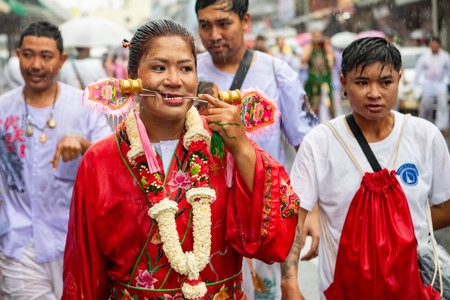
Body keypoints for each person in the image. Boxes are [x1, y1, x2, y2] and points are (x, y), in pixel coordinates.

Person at [61, 19, 305, 300]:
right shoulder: (100, 160)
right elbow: (84, 269)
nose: (174, 80)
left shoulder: (224, 146)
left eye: (185, 68)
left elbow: (275, 238)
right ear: (131, 76)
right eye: (159, 67)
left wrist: (243, 150)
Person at [291, 37, 450, 299]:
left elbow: (446, 206)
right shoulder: (320, 142)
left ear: (399, 79)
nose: (374, 93)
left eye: (386, 82)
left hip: (412, 287)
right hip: (344, 289)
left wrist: (391, 230)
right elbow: (295, 217)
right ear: (343, 82)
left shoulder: (425, 136)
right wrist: (290, 284)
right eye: (362, 83)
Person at [195, 0, 318, 299]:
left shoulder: (277, 73)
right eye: (204, 25)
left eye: (224, 23)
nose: (213, 34)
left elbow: (309, 149)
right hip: (202, 225)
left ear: (245, 21)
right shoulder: (188, 71)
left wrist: (312, 208)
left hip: (260, 223)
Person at [0, 21, 111, 299]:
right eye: (28, 54)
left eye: (46, 56)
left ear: (61, 60)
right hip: (19, 243)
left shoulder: (85, 105)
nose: (35, 64)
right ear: (17, 55)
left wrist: (85, 145)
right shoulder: (3, 107)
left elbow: (112, 159)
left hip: (74, 241)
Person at [413, 36, 450, 136]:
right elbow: (418, 71)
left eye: (435, 44)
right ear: (430, 45)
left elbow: (449, 71)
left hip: (440, 84)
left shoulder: (445, 56)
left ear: (439, 45)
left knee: (443, 106)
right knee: (425, 106)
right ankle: (424, 125)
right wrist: (413, 85)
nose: (433, 46)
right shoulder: (425, 56)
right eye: (432, 43)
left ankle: (442, 127)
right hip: (428, 84)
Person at [301, 30, 335, 120]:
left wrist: (327, 46)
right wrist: (311, 46)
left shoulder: (325, 48)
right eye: (315, 36)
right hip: (313, 82)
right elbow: (303, 60)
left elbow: (333, 62)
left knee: (330, 105)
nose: (317, 39)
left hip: (326, 81)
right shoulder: (309, 47)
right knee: (313, 105)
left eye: (319, 36)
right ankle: (314, 123)